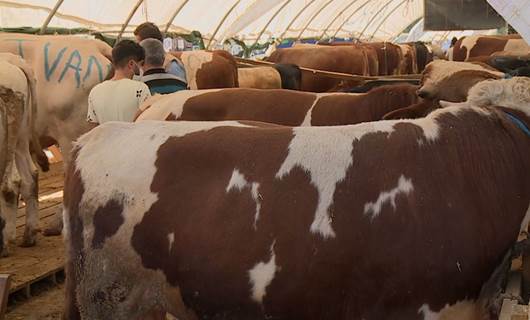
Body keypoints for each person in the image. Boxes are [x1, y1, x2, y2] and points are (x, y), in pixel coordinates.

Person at [87, 40, 151, 126]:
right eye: (141, 64)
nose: (142, 69)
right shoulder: (140, 89)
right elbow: (147, 124)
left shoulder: (95, 91)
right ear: (131, 64)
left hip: (106, 139)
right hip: (132, 139)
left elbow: (93, 128)